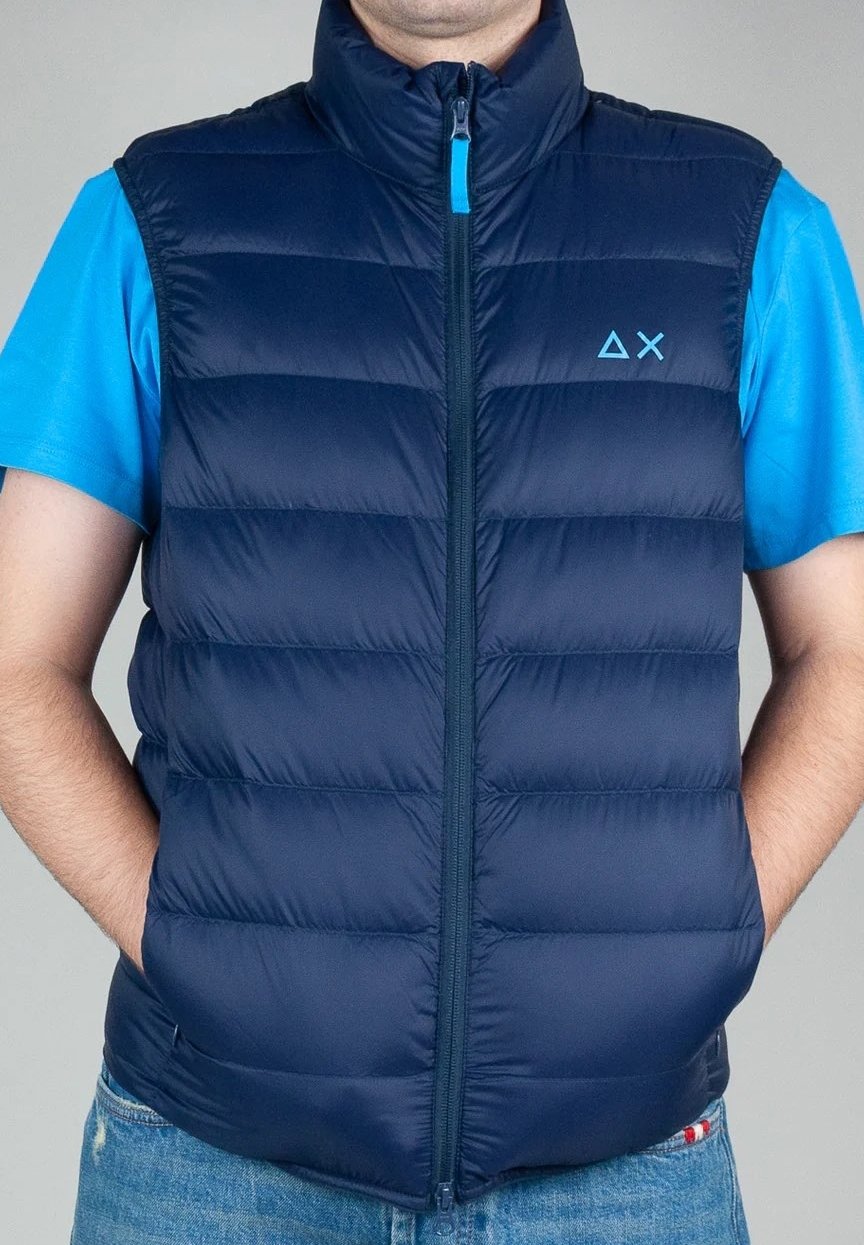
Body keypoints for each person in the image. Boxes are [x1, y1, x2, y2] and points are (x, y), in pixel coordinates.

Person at [1, 0, 863, 1241]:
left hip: (626, 1181)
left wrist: (696, 943)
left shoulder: (745, 230)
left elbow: (845, 651)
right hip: (210, 1168)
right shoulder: (155, 222)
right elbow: (18, 660)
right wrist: (188, 944)